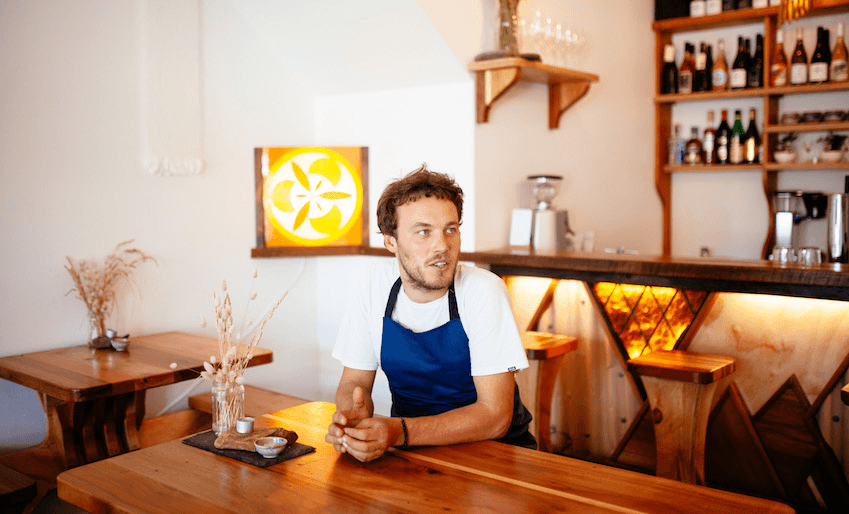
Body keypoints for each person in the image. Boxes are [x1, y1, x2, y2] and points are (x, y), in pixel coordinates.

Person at [325, 164, 536, 462]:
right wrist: (351, 418)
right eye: (424, 232)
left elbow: (495, 416)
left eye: (451, 230)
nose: (442, 246)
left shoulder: (483, 290)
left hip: (496, 455)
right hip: (412, 454)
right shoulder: (373, 284)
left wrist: (398, 432)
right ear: (390, 242)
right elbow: (354, 381)